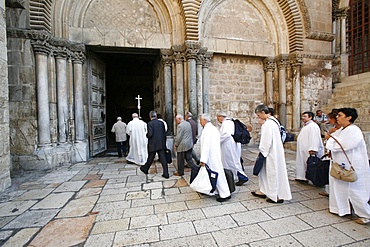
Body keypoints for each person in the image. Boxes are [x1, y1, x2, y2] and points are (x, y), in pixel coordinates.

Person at [325, 108, 370, 225]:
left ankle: (365, 215)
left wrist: (330, 140)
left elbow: (344, 145)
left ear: (349, 117)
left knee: (355, 190)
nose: (337, 118)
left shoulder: (354, 130)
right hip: (339, 165)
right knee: (340, 188)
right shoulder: (341, 130)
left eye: (340, 115)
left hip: (352, 165)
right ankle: (342, 209)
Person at [251, 104, 291, 203]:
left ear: (263, 113)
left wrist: (262, 152)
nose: (258, 117)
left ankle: (275, 196)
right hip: (275, 151)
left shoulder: (268, 124)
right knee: (267, 172)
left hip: (270, 153)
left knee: (272, 172)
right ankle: (264, 191)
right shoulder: (274, 121)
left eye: (259, 115)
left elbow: (266, 141)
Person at [198, 113, 231, 202]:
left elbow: (206, 145)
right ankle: (214, 190)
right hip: (214, 155)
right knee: (214, 174)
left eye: (200, 120)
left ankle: (225, 194)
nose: (200, 122)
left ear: (204, 120)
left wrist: (203, 159)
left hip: (211, 157)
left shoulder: (207, 130)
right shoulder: (213, 128)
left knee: (216, 174)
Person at [217, 112, 249, 186]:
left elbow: (226, 134)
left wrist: (217, 140)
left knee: (232, 161)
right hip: (232, 143)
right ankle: (232, 177)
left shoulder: (226, 123)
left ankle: (242, 177)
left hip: (228, 144)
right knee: (232, 160)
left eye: (218, 117)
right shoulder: (231, 121)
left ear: (221, 116)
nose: (218, 119)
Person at [295, 111, 324, 183]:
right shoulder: (306, 126)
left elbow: (314, 138)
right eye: (302, 116)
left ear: (310, 117)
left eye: (305, 116)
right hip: (303, 149)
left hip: (308, 149)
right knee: (303, 163)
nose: (303, 118)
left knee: (309, 164)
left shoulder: (313, 126)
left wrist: (313, 148)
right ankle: (302, 177)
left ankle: (309, 177)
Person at [140, 111, 169, 178]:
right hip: (161, 143)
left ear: (150, 116)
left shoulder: (150, 124)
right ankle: (166, 173)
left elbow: (150, 134)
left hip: (153, 144)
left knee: (150, 157)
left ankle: (145, 169)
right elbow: (164, 133)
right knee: (163, 158)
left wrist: (147, 135)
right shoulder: (161, 123)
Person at [173, 114, 198, 181]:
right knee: (188, 158)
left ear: (180, 119)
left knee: (180, 159)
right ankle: (195, 168)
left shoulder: (180, 126)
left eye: (176, 120)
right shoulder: (187, 123)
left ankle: (180, 172)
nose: (176, 121)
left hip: (182, 145)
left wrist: (176, 144)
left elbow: (179, 136)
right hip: (189, 144)